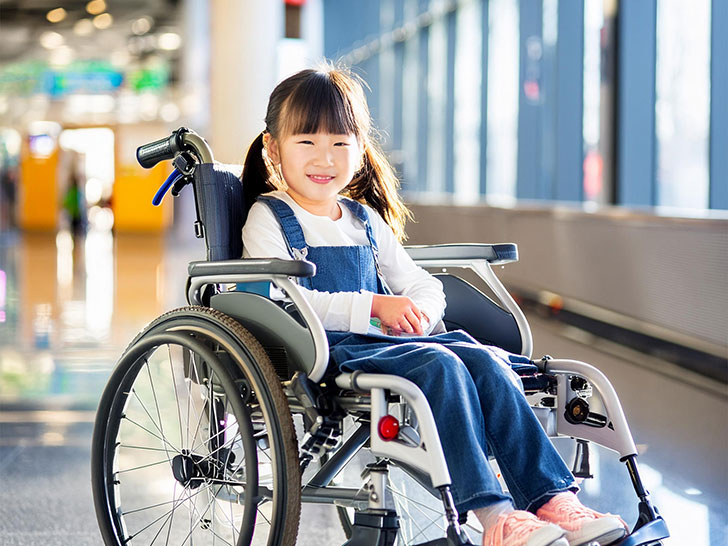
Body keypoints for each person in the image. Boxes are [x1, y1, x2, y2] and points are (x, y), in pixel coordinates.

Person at [241, 64, 628, 546]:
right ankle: (496, 518)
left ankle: (552, 500)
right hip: (328, 348)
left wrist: (419, 309)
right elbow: (285, 302)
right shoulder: (269, 217)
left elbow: (420, 283)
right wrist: (374, 306)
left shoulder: (363, 220)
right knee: (443, 364)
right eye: (307, 143)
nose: (325, 158)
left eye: (340, 143)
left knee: (483, 358)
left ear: (360, 150)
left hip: (392, 343)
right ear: (274, 149)